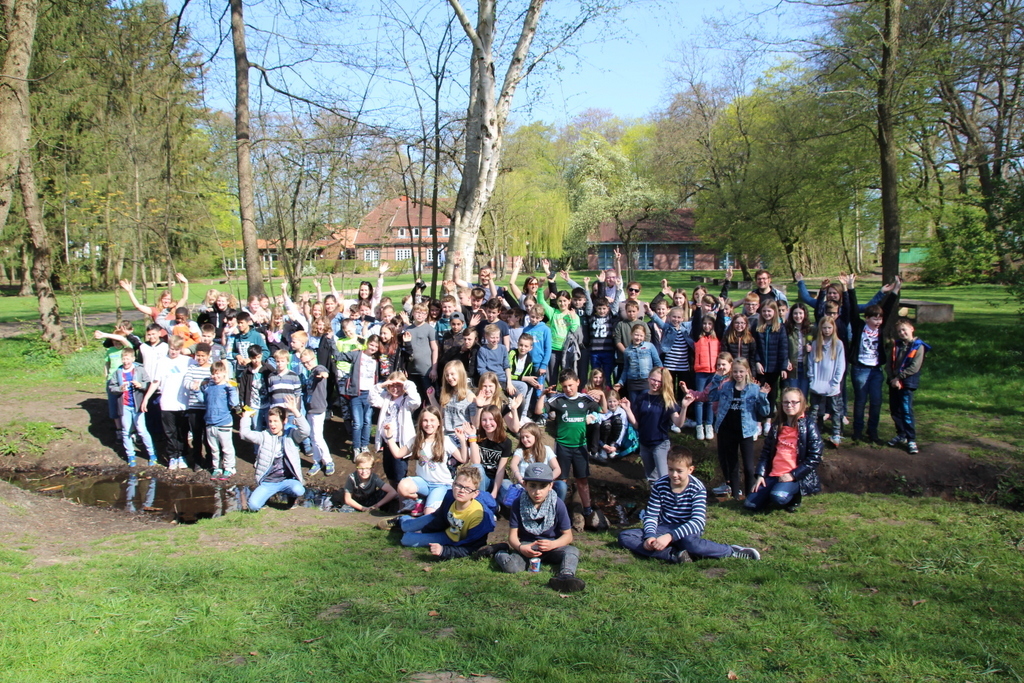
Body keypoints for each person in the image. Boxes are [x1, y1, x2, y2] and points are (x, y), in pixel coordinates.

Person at [618, 450, 761, 562]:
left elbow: (697, 522)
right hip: (663, 527)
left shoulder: (697, 488)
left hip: (687, 530)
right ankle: (674, 555)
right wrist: (649, 536)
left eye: (679, 471)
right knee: (625, 536)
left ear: (690, 469)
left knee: (691, 544)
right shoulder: (659, 485)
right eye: (670, 469)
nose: (674, 475)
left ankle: (731, 551)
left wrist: (670, 536)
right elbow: (651, 515)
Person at [490, 462, 586, 593]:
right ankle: (499, 552)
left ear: (550, 486)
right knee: (512, 567)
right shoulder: (518, 504)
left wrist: (553, 544)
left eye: (543, 486)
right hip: (528, 547)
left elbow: (568, 536)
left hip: (552, 546)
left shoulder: (557, 504)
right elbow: (512, 536)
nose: (537, 492)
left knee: (572, 551)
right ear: (525, 484)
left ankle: (566, 576)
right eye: (533, 486)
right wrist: (521, 548)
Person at [383, 465, 498, 560]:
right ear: (453, 484)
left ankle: (409, 527)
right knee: (406, 527)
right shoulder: (450, 496)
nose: (461, 491)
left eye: (467, 488)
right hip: (441, 522)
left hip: (451, 537)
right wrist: (424, 531)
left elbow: (472, 548)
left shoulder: (479, 517)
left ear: (475, 493)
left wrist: (444, 551)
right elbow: (440, 519)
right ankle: (401, 520)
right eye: (458, 485)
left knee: (406, 539)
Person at [696, 358, 771, 499]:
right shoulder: (726, 386)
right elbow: (711, 396)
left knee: (748, 467)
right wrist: (717, 378)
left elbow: (765, 412)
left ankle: (750, 496)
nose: (738, 374)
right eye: (735, 371)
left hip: (745, 431)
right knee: (732, 464)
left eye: (741, 371)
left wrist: (763, 396)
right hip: (727, 430)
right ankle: (735, 496)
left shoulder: (754, 389)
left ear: (747, 371)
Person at [745, 388, 823, 512]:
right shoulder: (777, 425)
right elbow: (765, 453)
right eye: (786, 402)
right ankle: (770, 491)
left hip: (794, 475)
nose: (789, 405)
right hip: (774, 474)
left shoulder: (809, 425)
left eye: (794, 402)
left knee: (778, 497)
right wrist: (760, 475)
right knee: (750, 504)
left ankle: (794, 496)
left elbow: (814, 457)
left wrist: (793, 475)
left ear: (801, 403)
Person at [847, 274, 899, 445]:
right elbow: (852, 308)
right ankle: (857, 431)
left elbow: (888, 308)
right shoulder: (859, 327)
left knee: (876, 401)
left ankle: (873, 431)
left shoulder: (881, 329)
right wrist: (851, 287)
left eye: (880, 318)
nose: (878, 321)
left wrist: (895, 291)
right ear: (867, 318)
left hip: (876, 370)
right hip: (860, 369)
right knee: (860, 401)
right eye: (875, 318)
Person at [393, 406, 470, 516]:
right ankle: (419, 499)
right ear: (421, 423)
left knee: (429, 513)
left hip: (441, 484)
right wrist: (389, 438)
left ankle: (427, 503)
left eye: (432, 420)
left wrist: (462, 440)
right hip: (423, 483)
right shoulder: (416, 440)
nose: (428, 424)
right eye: (425, 420)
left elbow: (463, 459)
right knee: (402, 487)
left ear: (439, 423)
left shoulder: (445, 440)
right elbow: (398, 453)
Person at [546, 369, 602, 519]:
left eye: (570, 385)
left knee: (582, 479)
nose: (568, 389)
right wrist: (543, 395)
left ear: (578, 382)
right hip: (563, 445)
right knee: (561, 480)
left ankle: (587, 509)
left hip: (580, 446)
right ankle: (557, 509)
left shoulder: (585, 399)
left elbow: (603, 410)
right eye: (565, 386)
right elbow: (539, 410)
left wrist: (602, 396)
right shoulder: (558, 400)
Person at [240, 395, 309, 511]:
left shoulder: (292, 435)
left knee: (299, 490)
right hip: (268, 482)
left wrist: (295, 410)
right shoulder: (264, 435)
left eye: (276, 421)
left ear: (284, 421)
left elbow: (306, 431)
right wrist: (246, 417)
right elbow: (244, 434)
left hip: (287, 480)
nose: (272, 424)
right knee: (253, 506)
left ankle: (291, 499)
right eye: (270, 421)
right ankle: (265, 499)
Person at [624, 367, 687, 482]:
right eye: (654, 380)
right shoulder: (641, 399)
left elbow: (679, 423)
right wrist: (628, 410)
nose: (656, 384)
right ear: (648, 379)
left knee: (664, 477)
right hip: (644, 444)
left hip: (660, 444)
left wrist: (684, 407)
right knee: (651, 478)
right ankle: (654, 494)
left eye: (659, 381)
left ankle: (668, 494)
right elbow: (637, 425)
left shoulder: (667, 400)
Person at [142, 335, 192, 470]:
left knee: (182, 431)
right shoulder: (162, 362)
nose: (174, 352)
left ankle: (182, 455)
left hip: (183, 403)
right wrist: (146, 398)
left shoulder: (188, 361)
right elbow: (155, 382)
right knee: (170, 432)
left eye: (176, 349)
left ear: (181, 349)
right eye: (171, 349)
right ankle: (172, 456)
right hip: (167, 403)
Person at [107, 347, 158, 467]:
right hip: (124, 406)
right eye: (124, 359)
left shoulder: (139, 370)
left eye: (128, 359)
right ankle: (130, 455)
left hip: (138, 406)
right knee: (126, 431)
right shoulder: (118, 372)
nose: (126, 361)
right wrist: (119, 389)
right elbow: (111, 387)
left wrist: (140, 385)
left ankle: (152, 454)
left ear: (133, 359)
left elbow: (148, 384)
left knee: (142, 430)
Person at [886, 317, 929, 455]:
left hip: (907, 383)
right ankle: (901, 433)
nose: (902, 333)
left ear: (911, 328)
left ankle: (911, 439)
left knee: (906, 410)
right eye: (899, 331)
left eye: (904, 330)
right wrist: (893, 379)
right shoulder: (896, 345)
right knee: (895, 410)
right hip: (894, 383)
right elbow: (888, 364)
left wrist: (899, 378)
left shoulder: (918, 346)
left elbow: (914, 367)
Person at [807, 316, 846, 447]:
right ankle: (813, 431)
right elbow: (811, 362)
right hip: (817, 381)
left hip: (832, 382)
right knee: (815, 409)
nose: (827, 330)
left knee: (835, 409)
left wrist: (836, 381)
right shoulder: (815, 344)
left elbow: (841, 364)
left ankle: (836, 433)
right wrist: (812, 378)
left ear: (833, 328)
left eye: (829, 328)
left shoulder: (838, 344)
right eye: (824, 328)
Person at [753, 300, 789, 435]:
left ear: (774, 312)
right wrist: (757, 361)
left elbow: (783, 348)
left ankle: (768, 421)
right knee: (759, 393)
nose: (766, 313)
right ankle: (758, 422)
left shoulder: (780, 328)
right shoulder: (757, 327)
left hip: (774, 368)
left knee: (772, 395)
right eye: (764, 311)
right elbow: (755, 347)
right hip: (761, 368)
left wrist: (783, 367)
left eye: (769, 311)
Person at [298, 348, 334, 476]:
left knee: (318, 437)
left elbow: (324, 372)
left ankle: (328, 461)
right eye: (303, 363)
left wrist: (324, 375)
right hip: (310, 409)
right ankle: (317, 461)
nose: (306, 365)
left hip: (318, 409)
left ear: (314, 359)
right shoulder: (310, 373)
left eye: (308, 362)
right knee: (313, 437)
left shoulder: (318, 369)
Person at [203, 360, 240, 480]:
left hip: (224, 422)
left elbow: (234, 403)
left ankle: (230, 467)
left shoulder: (228, 387)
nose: (215, 376)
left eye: (218, 373)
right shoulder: (209, 387)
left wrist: (232, 389)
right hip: (210, 422)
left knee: (226, 447)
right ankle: (216, 468)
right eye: (213, 374)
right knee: (214, 449)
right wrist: (198, 390)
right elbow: (203, 401)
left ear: (224, 373)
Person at [508, 422, 565, 500]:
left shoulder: (547, 450)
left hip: (543, 484)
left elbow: (557, 469)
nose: (524, 440)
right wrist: (520, 478)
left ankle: (557, 506)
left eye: (527, 437)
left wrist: (548, 479)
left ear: (536, 436)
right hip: (526, 484)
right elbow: (513, 464)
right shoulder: (520, 451)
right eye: (522, 437)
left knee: (561, 485)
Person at [615, 323, 663, 406]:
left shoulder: (650, 346)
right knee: (634, 405)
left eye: (641, 336)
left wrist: (661, 376)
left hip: (646, 380)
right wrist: (620, 383)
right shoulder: (627, 351)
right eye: (636, 335)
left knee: (645, 404)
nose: (638, 338)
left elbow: (658, 363)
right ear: (631, 334)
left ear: (644, 336)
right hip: (632, 382)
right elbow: (626, 369)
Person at [470, 404, 512, 497]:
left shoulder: (506, 442)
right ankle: (482, 499)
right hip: (482, 479)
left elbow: (501, 470)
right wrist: (472, 438)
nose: (487, 423)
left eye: (491, 419)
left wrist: (495, 492)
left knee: (508, 490)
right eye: (484, 420)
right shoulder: (478, 437)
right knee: (477, 467)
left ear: (498, 420)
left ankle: (496, 502)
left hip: (499, 480)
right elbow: (476, 463)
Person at [691, 313, 720, 441]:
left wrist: (721, 309)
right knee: (699, 400)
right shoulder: (698, 336)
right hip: (701, 372)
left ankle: (709, 424)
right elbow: (696, 323)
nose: (706, 326)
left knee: (711, 400)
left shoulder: (717, 337)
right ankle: (699, 426)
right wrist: (698, 308)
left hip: (713, 372)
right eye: (704, 323)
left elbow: (721, 323)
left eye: (709, 324)